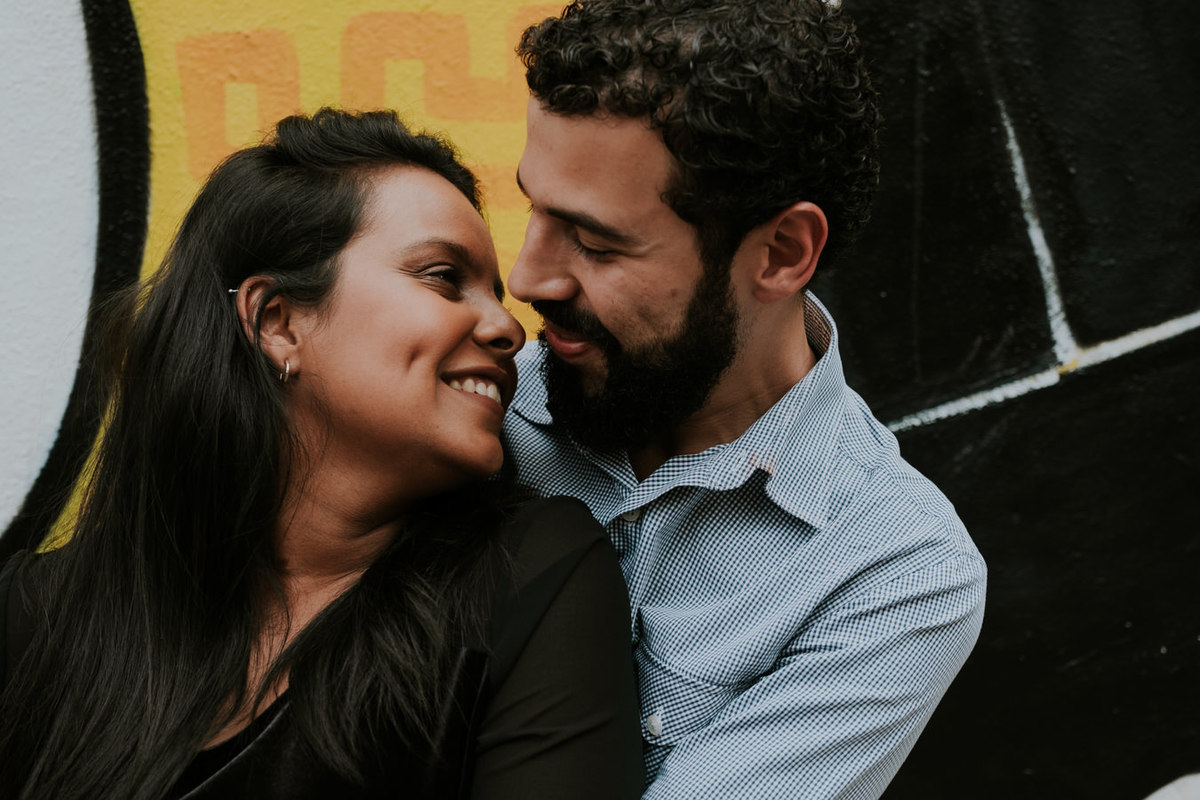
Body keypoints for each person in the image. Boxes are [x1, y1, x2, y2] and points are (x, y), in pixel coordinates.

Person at [0, 108, 642, 800]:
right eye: (443, 277)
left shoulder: (531, 579)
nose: (506, 327)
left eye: (490, 293)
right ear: (277, 322)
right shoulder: (33, 617)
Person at [502, 1, 988, 797]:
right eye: (534, 209)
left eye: (595, 241)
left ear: (781, 253)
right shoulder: (469, 410)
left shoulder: (894, 574)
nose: (528, 279)